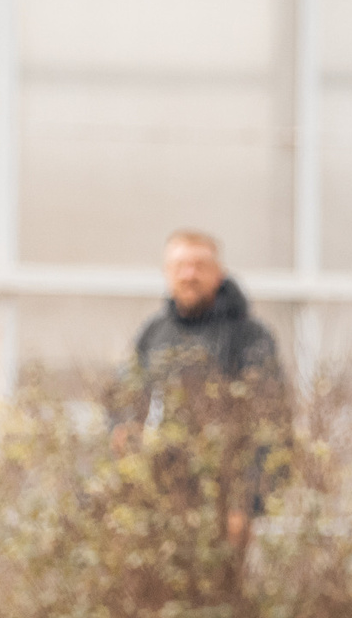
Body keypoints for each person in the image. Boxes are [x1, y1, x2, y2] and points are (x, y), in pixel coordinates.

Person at [109, 229, 288, 559]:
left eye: (199, 265)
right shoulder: (154, 333)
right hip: (161, 496)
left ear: (218, 273)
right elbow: (124, 397)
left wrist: (247, 506)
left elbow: (270, 423)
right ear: (167, 273)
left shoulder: (249, 336)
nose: (189, 275)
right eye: (179, 266)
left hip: (225, 501)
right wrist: (123, 430)